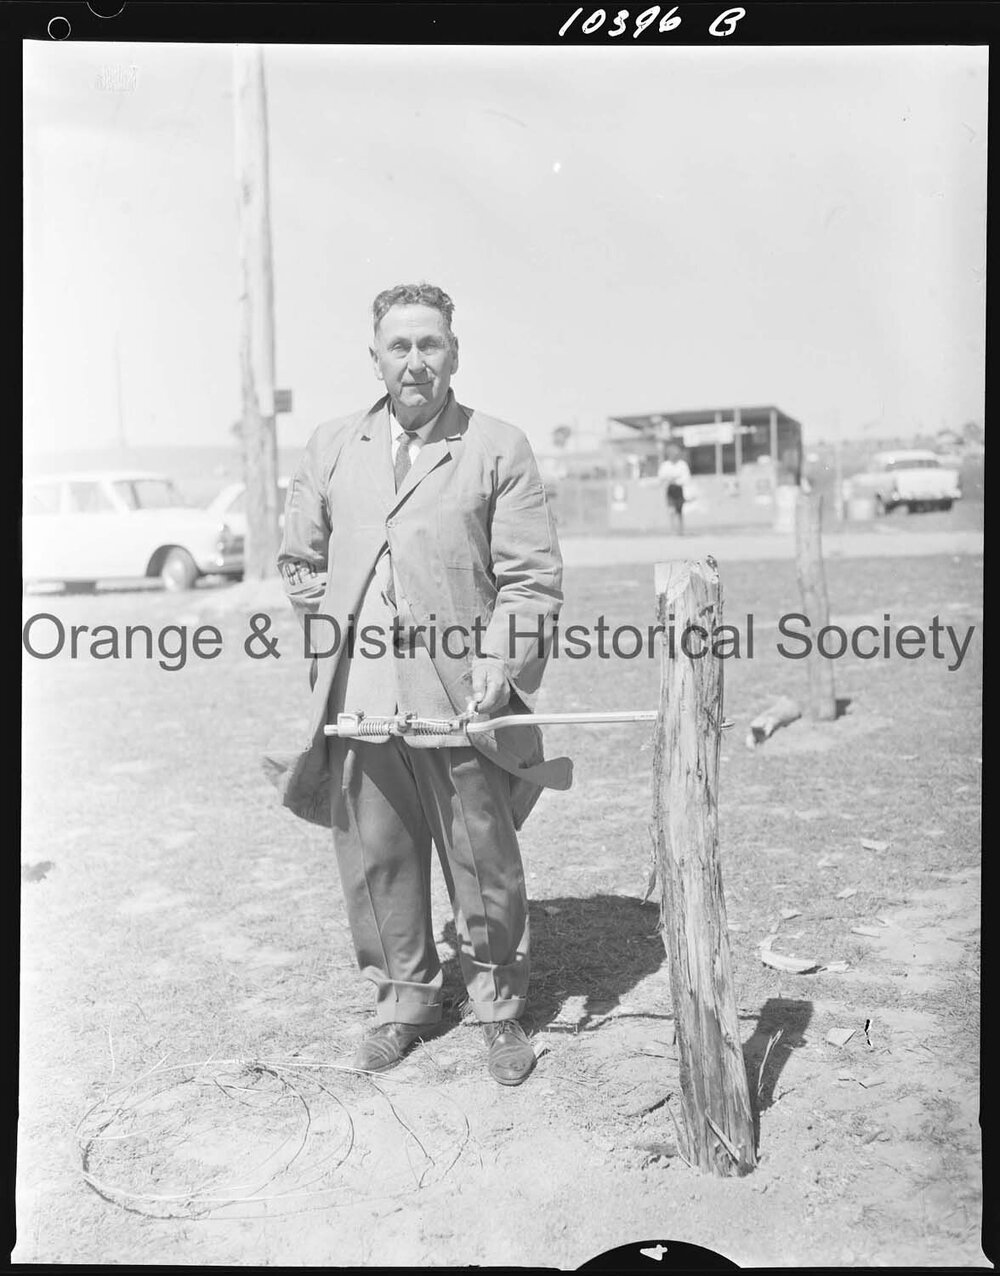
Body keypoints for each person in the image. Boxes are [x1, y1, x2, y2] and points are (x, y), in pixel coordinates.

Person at [264, 282, 572, 1087]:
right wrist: (347, 617)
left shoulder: (498, 446)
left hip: (458, 694)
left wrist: (499, 665)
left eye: (429, 345)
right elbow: (301, 562)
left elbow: (531, 580)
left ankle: (499, 1007)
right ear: (376, 359)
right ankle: (405, 1001)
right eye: (399, 347)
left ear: (454, 355)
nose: (414, 362)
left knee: (482, 852)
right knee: (377, 855)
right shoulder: (332, 445)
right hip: (362, 697)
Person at [657, 441, 691, 535]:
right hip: (670, 489)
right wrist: (670, 478)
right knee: (671, 510)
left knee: (679, 511)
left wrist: (676, 479)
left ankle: (681, 530)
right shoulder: (665, 465)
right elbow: (662, 477)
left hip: (679, 490)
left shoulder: (682, 464)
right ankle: (673, 530)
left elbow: (686, 478)